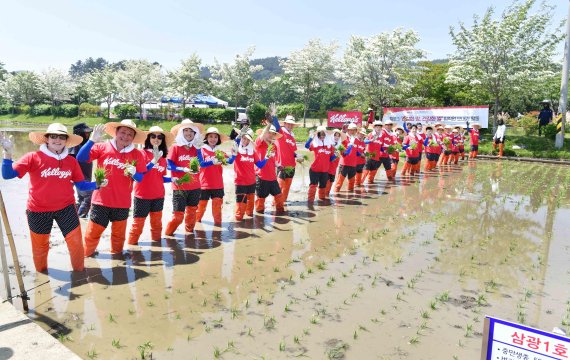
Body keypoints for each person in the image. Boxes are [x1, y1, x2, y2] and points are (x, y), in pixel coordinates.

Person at [1, 123, 102, 272]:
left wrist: (97, 184)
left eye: (61, 137)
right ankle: (42, 274)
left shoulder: (71, 161)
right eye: (53, 136)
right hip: (38, 211)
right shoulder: (33, 157)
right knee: (40, 248)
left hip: (66, 209)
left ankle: (79, 273)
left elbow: (81, 185)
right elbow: (7, 175)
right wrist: (8, 154)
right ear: (46, 139)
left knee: (76, 244)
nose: (57, 140)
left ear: (66, 141)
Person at [76, 119, 148, 257]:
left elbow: (140, 178)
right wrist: (91, 141)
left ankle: (116, 256)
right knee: (93, 234)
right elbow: (81, 158)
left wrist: (134, 173)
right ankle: (86, 256)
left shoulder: (137, 154)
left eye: (129, 134)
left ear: (133, 138)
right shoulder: (102, 147)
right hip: (101, 201)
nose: (125, 136)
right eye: (123, 132)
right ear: (116, 132)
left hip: (122, 203)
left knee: (118, 236)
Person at [128, 126, 173, 245]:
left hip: (158, 195)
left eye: (159, 137)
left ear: (162, 140)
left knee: (157, 224)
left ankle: (157, 245)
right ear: (148, 138)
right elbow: (140, 174)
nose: (156, 139)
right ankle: (132, 247)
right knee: (138, 224)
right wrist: (153, 161)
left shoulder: (163, 158)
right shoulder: (141, 154)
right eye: (153, 136)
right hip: (142, 196)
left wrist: (173, 179)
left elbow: (161, 178)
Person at [164, 119, 205, 236]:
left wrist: (197, 149)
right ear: (181, 132)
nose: (188, 133)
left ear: (195, 133)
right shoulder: (175, 147)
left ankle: (189, 235)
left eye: (191, 131)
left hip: (195, 186)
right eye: (185, 130)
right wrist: (183, 169)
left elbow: (201, 164)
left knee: (192, 213)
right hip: (179, 186)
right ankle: (167, 235)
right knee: (178, 216)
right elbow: (169, 166)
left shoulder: (197, 148)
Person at [196, 127, 235, 225]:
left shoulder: (220, 152)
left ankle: (218, 228)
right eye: (210, 137)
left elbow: (229, 161)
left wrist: (234, 154)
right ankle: (196, 227)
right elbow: (201, 164)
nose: (213, 139)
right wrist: (213, 161)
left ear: (218, 139)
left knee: (217, 210)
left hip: (218, 185)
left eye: (215, 137)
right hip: (204, 184)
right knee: (200, 209)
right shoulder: (201, 150)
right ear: (206, 138)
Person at [233, 128, 264, 220]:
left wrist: (266, 157)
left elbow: (260, 165)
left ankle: (250, 228)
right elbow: (236, 142)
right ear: (241, 138)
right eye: (244, 138)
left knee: (250, 213)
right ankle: (239, 230)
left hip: (252, 182)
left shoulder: (252, 152)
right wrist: (239, 136)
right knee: (239, 214)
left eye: (248, 139)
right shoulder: (236, 150)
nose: (245, 141)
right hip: (240, 183)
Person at [272, 112, 304, 204]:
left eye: (291, 124)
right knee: (279, 187)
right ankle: (276, 205)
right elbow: (276, 125)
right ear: (285, 124)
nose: (290, 125)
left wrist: (297, 156)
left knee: (287, 187)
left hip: (291, 166)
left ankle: (283, 203)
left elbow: (291, 152)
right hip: (282, 166)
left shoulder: (292, 136)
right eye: (288, 123)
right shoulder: (280, 132)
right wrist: (274, 115)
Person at [254, 121, 285, 213]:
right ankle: (259, 218)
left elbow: (274, 159)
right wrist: (270, 123)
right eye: (269, 133)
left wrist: (278, 165)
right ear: (265, 133)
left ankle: (280, 212)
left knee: (279, 195)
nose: (271, 135)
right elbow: (262, 135)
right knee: (260, 199)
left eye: (273, 133)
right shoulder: (259, 143)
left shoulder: (274, 145)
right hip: (262, 177)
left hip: (272, 177)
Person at [305, 126, 336, 202]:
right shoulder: (315, 144)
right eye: (320, 134)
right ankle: (310, 202)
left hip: (325, 171)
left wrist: (336, 155)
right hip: (315, 170)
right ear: (317, 135)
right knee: (313, 186)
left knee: (323, 186)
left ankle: (322, 201)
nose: (322, 136)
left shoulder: (330, 146)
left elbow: (331, 159)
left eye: (323, 134)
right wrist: (311, 137)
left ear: (326, 135)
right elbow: (306, 146)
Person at [69, 123, 93, 218]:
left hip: (85, 177)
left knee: (82, 198)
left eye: (88, 133)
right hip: (80, 178)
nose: (87, 135)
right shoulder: (74, 145)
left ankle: (75, 217)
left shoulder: (85, 145)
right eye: (85, 133)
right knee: (89, 197)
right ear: (79, 133)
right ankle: (81, 218)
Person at [334, 123, 358, 192]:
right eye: (351, 130)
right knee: (339, 183)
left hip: (353, 164)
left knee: (352, 183)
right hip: (344, 163)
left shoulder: (356, 140)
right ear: (348, 130)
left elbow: (357, 151)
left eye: (354, 130)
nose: (352, 131)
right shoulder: (344, 138)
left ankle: (350, 197)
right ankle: (336, 198)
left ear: (356, 131)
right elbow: (343, 151)